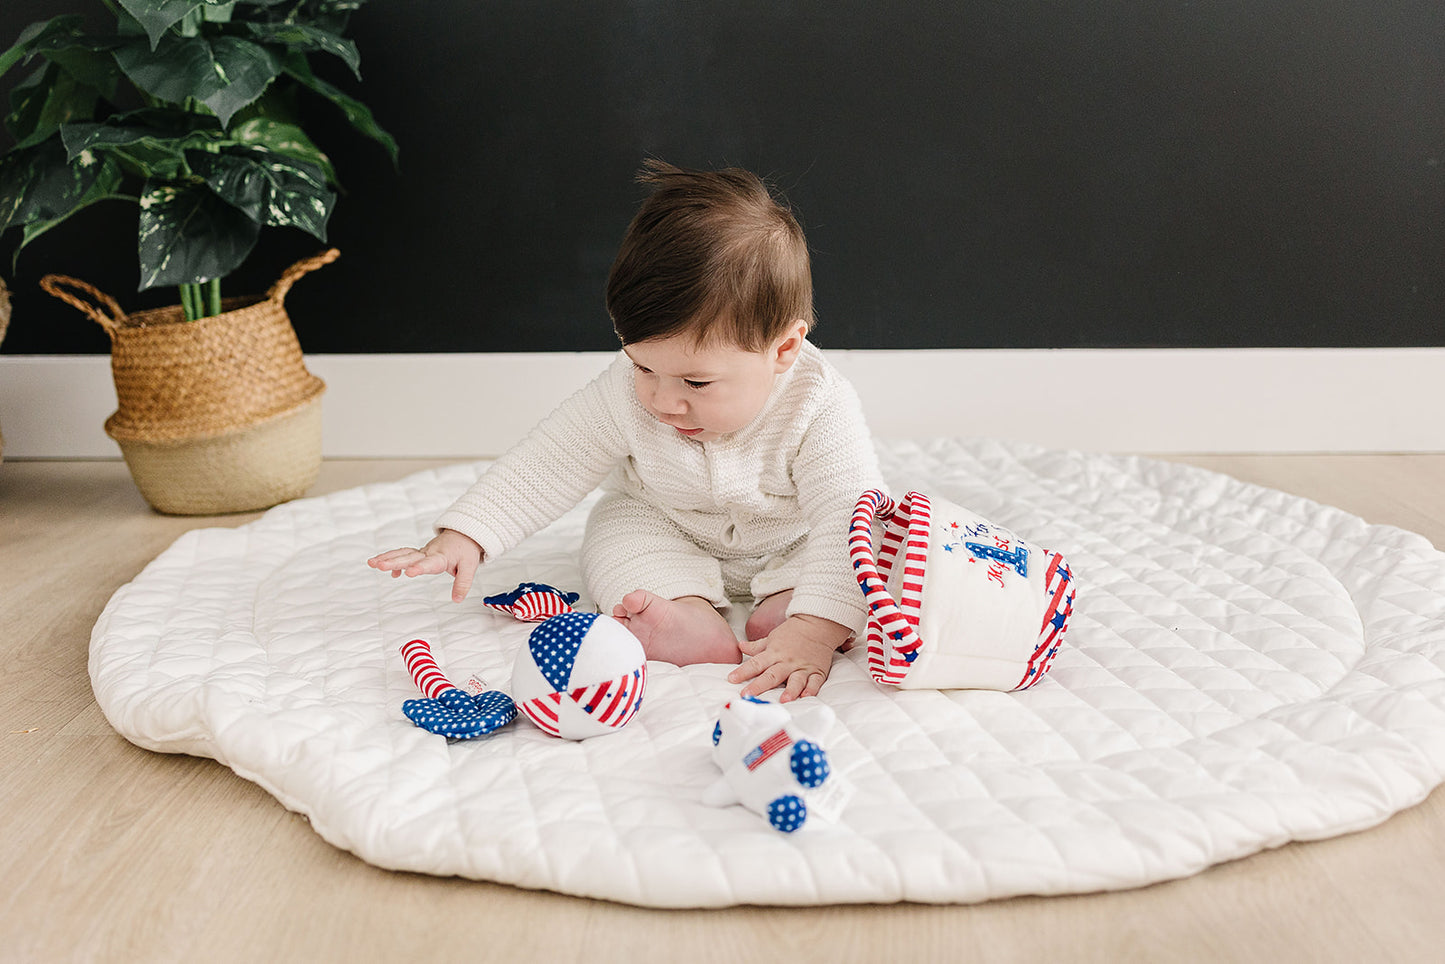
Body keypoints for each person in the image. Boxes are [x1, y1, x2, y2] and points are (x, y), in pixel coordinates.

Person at [368, 160, 884, 702]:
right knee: (616, 534)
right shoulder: (624, 393)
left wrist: (816, 628)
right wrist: (468, 534)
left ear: (782, 351)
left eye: (696, 381)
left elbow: (849, 514)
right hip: (664, 518)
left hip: (791, 536)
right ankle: (685, 618)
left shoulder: (818, 404)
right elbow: (552, 458)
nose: (662, 400)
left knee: (862, 551)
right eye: (643, 367)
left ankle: (794, 610)